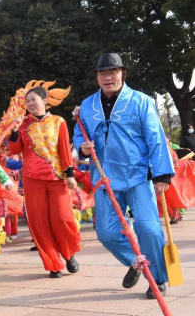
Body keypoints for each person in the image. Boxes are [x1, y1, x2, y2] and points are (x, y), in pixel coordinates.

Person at [74, 53, 174, 299]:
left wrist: (162, 174)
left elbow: (156, 138)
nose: (108, 77)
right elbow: (79, 132)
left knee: (149, 229)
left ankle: (158, 279)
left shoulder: (141, 101)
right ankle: (137, 263)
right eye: (102, 73)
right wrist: (82, 147)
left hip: (137, 176)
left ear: (123, 74)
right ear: (96, 76)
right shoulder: (87, 105)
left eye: (113, 72)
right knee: (106, 233)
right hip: (104, 179)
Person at [8, 86, 81, 279]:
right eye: (28, 101)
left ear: (44, 99)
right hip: (32, 177)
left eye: (34, 99)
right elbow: (15, 148)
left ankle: (68, 254)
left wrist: (70, 174)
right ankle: (53, 263)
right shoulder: (22, 124)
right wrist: (14, 132)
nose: (30, 103)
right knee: (39, 222)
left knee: (62, 218)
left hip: (57, 177)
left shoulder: (59, 122)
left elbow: (65, 149)